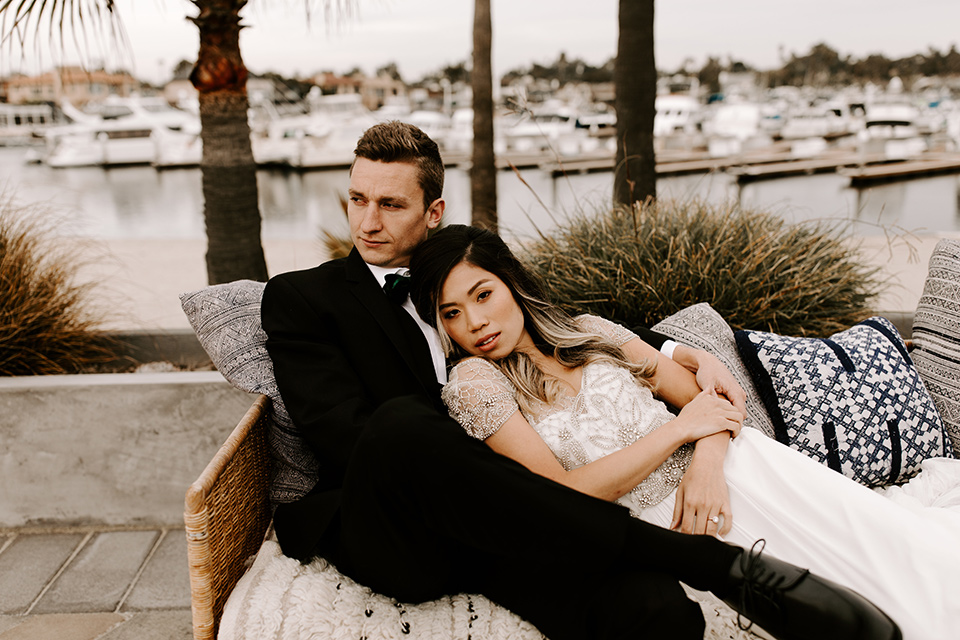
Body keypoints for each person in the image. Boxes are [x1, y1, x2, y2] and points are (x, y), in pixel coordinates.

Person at [261, 121, 900, 640]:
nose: (366, 222)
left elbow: (567, 331)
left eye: (389, 204)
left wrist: (682, 348)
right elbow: (346, 437)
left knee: (656, 613)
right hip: (394, 519)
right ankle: (712, 564)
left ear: (433, 212)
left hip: (510, 524)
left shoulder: (476, 281)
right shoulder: (303, 299)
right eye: (357, 199)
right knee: (402, 422)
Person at [408, 223, 960, 640]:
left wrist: (706, 460)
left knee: (899, 553)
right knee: (833, 608)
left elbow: (707, 402)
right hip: (667, 525)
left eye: (483, 295)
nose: (475, 322)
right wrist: (677, 437)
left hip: (737, 469)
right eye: (451, 313)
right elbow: (559, 497)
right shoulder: (474, 385)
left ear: (511, 282)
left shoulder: (588, 331)